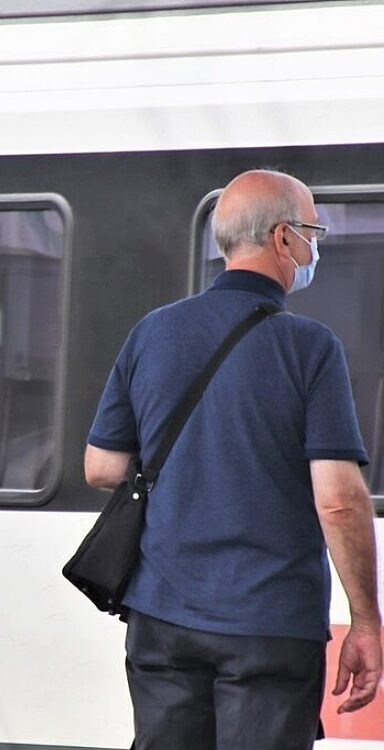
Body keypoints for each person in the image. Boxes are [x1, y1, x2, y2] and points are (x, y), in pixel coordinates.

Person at [84, 169, 381, 749]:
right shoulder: (309, 347)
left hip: (162, 618)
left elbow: (101, 466)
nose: (314, 247)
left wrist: (196, 467)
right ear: (283, 238)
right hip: (268, 622)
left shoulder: (153, 332)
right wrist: (366, 619)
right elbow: (340, 501)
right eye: (312, 232)